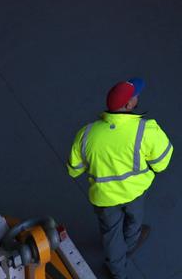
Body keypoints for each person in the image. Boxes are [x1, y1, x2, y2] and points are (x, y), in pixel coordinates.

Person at [69, 78, 174, 278]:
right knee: (134, 220)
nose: (137, 97)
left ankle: (117, 271)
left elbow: (74, 169)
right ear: (128, 105)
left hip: (104, 198)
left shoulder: (86, 134)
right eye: (135, 96)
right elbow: (162, 164)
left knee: (111, 234)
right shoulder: (146, 129)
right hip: (134, 192)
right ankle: (131, 243)